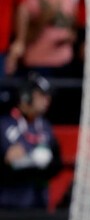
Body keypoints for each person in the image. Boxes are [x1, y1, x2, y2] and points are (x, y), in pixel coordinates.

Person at [0, 72, 62, 209]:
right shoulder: (5, 124)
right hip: (9, 204)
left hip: (38, 202)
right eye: (41, 95)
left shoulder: (45, 127)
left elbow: (56, 164)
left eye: (48, 96)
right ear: (26, 96)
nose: (47, 100)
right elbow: (9, 159)